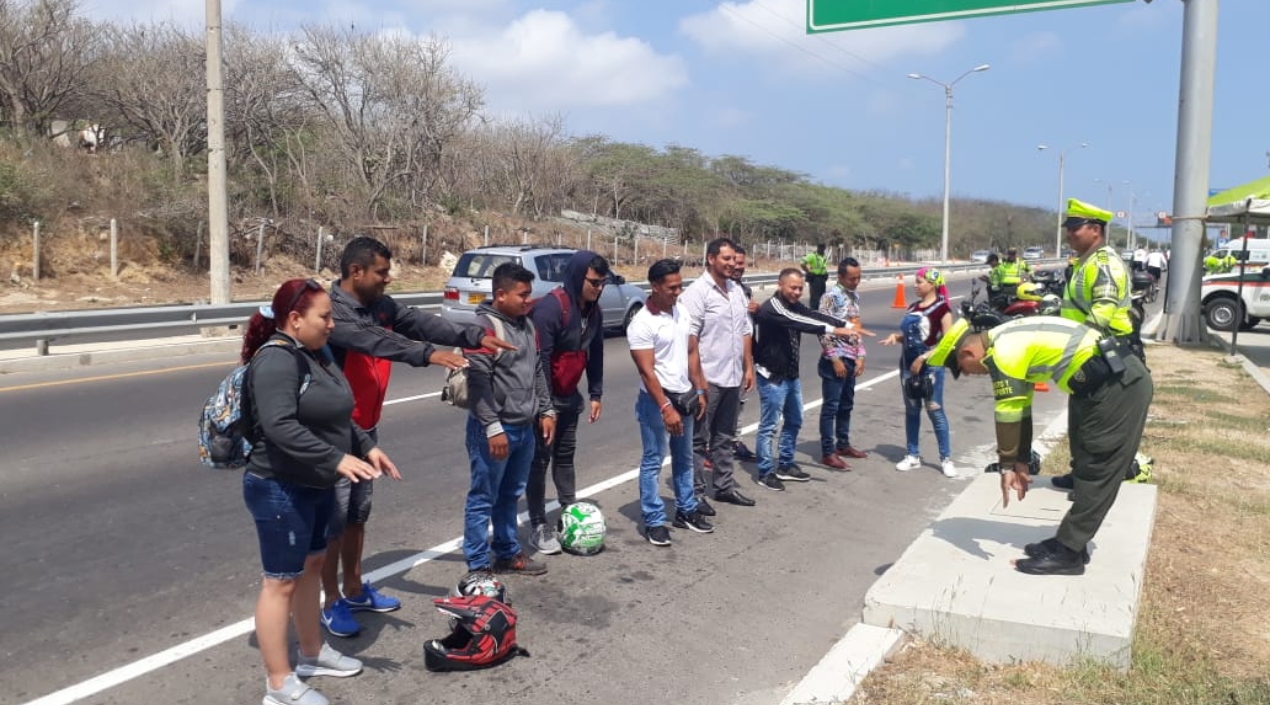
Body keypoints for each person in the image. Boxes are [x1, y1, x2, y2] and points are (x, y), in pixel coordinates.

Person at [321, 237, 509, 638]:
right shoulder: (333, 311)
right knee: (332, 523)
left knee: (357, 515)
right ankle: (331, 601)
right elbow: (371, 340)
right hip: (333, 435)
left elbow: (419, 321)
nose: (387, 280)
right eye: (381, 273)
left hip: (365, 429)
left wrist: (471, 337)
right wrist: (428, 354)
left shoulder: (379, 305)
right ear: (356, 272)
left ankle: (353, 588)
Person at [241, 279, 396, 705]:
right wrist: (335, 460)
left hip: (315, 483)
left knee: (311, 565)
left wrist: (367, 447)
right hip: (279, 487)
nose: (332, 324)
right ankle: (278, 684)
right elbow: (279, 426)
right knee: (280, 583)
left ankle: (311, 653)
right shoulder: (276, 360)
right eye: (324, 317)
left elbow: (341, 417)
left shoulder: (317, 354)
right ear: (295, 319)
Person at [928, 316, 1153, 575]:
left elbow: (1008, 411)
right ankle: (1072, 543)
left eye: (962, 367)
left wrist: (1007, 467)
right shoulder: (1005, 340)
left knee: (1098, 467)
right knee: (1084, 458)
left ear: (968, 351)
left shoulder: (1003, 353)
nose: (968, 374)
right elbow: (1022, 404)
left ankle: (1069, 552)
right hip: (1099, 384)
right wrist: (1020, 459)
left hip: (1117, 387)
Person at [463, 263, 556, 576]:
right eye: (522, 295)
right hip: (495, 431)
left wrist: (546, 410)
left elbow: (538, 370)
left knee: (510, 495)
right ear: (500, 294)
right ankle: (477, 565)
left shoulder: (527, 325)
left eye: (530, 294)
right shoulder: (483, 329)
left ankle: (507, 552)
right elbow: (477, 383)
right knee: (483, 497)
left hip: (524, 429)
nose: (528, 300)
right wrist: (492, 428)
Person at [752, 268, 872, 491]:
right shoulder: (774, 307)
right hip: (772, 376)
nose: (797, 292)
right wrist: (836, 330)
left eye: (800, 288)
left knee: (794, 420)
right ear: (780, 285)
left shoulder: (792, 304)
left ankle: (785, 465)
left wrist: (847, 325)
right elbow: (801, 323)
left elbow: (812, 314)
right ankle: (765, 471)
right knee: (769, 426)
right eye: (793, 287)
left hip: (790, 375)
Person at [1053, 198, 1141, 491]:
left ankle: (1091, 483)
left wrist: (1076, 345)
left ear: (1095, 230)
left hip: (1105, 351)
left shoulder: (1103, 264)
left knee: (1096, 422)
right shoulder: (1084, 262)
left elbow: (1102, 310)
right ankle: (1080, 472)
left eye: (1075, 229)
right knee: (1079, 416)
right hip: (1088, 352)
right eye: (1069, 228)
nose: (1069, 234)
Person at [527, 251, 608, 555]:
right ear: (578, 276)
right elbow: (542, 362)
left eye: (603, 283)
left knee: (565, 457)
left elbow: (595, 353)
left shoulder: (594, 311)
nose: (598, 288)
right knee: (539, 462)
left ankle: (569, 510)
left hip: (570, 399)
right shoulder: (552, 308)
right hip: (545, 401)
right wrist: (546, 409)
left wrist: (596, 393)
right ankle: (537, 523)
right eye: (594, 282)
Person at [628, 259, 713, 546]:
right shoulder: (642, 322)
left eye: (680, 286)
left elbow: (691, 350)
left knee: (684, 457)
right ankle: (653, 520)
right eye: (671, 287)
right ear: (655, 287)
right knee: (653, 460)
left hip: (685, 396)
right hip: (656, 402)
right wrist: (666, 407)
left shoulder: (682, 311)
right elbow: (646, 371)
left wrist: (699, 387)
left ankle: (686, 510)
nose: (677, 292)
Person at [682, 237, 757, 510]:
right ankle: (695, 493)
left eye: (732, 259)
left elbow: (745, 332)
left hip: (733, 377)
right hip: (708, 379)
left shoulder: (736, 290)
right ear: (711, 259)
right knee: (698, 440)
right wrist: (699, 383)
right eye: (724, 259)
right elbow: (690, 340)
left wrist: (748, 367)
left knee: (725, 437)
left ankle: (724, 486)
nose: (730, 264)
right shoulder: (697, 293)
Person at [879, 268, 957, 478]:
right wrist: (897, 337)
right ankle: (912, 455)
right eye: (915, 281)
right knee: (912, 410)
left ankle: (945, 458)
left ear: (932, 284)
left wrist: (923, 358)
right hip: (907, 367)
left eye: (920, 281)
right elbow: (912, 336)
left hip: (930, 367)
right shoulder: (913, 307)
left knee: (935, 410)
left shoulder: (943, 309)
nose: (915, 285)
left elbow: (947, 344)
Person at [817, 257, 869, 470]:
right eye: (851, 278)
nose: (856, 281)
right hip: (835, 359)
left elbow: (857, 328)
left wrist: (861, 355)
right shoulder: (830, 297)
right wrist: (835, 358)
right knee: (831, 407)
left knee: (846, 405)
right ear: (840, 277)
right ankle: (828, 452)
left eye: (858, 277)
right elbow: (822, 329)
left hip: (851, 356)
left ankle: (843, 444)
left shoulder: (853, 296)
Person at [728, 244, 760, 462]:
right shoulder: (721, 289)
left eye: (742, 264)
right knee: (717, 405)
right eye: (736, 263)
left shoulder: (744, 290)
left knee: (739, 402)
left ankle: (734, 441)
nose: (739, 267)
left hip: (743, 356)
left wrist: (756, 312)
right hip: (722, 359)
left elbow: (748, 326)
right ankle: (711, 446)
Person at [801, 243, 830, 308]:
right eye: (820, 247)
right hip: (815, 278)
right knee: (815, 297)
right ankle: (814, 311)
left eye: (823, 247)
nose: (822, 249)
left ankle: (822, 310)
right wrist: (808, 271)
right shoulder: (812, 256)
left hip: (822, 278)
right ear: (818, 248)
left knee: (823, 296)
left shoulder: (823, 256)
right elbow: (802, 263)